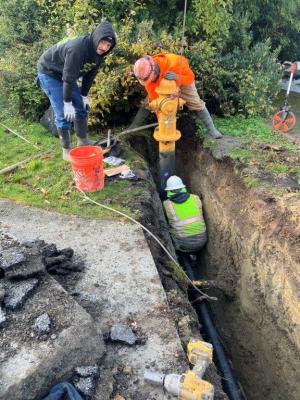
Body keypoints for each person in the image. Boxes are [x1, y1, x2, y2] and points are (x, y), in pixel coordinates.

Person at [37, 21, 116, 161]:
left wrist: (84, 95)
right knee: (63, 113)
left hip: (66, 75)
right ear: (96, 37)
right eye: (103, 42)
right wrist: (67, 102)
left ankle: (82, 141)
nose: (104, 47)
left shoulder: (98, 54)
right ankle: (66, 151)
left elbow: (90, 75)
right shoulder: (78, 48)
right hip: (49, 72)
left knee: (81, 107)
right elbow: (68, 78)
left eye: (108, 45)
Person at [131, 54, 222, 139]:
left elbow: (190, 77)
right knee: (149, 103)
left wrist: (178, 77)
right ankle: (133, 128)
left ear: (154, 68)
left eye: (152, 78)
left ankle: (211, 129)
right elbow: (157, 102)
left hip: (183, 81)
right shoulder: (148, 80)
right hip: (162, 88)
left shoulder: (174, 62)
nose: (151, 81)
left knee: (196, 103)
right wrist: (163, 123)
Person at [163, 175, 207, 253]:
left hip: (183, 244)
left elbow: (165, 221)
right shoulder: (195, 198)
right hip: (202, 240)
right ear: (183, 188)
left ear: (169, 191)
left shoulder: (166, 205)